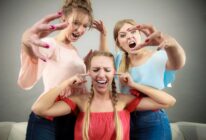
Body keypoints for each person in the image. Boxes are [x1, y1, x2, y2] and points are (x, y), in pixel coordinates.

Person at [32, 51, 176, 140]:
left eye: (107, 70)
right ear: (89, 73)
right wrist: (66, 82)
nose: (101, 74)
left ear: (114, 72)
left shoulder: (123, 101)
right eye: (96, 69)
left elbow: (168, 101)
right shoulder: (80, 101)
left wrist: (133, 85)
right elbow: (39, 109)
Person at [17, 0, 98, 139]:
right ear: (63, 19)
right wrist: (26, 44)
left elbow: (65, 74)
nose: (80, 30)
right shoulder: (50, 44)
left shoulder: (73, 49)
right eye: (76, 23)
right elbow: (33, 60)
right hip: (47, 118)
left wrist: (84, 64)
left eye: (85, 25)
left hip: (69, 117)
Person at [99, 19, 186, 139]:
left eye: (133, 32)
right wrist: (103, 36)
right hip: (126, 118)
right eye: (123, 35)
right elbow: (104, 59)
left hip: (152, 120)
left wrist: (172, 43)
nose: (129, 37)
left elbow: (178, 63)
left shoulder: (157, 56)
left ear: (140, 35)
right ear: (119, 43)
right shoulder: (120, 59)